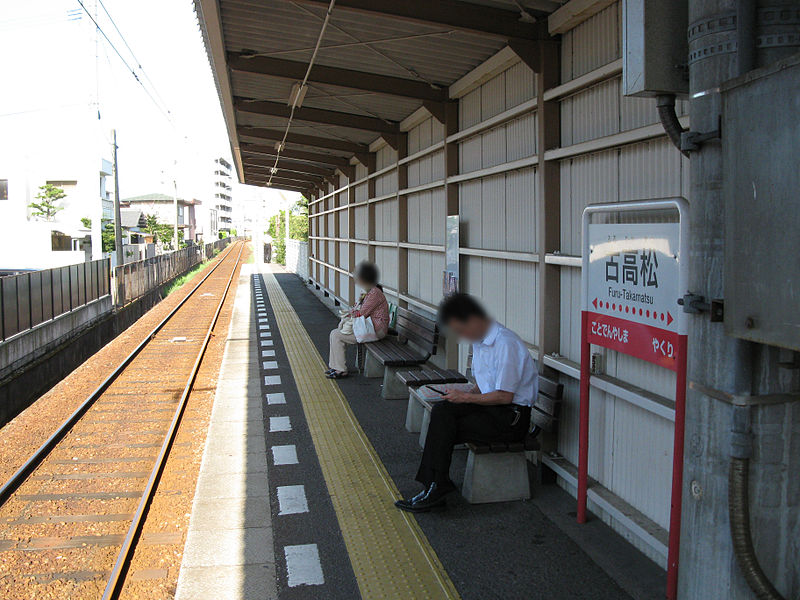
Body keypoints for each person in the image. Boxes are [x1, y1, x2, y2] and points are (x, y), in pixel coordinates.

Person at [395, 293, 538, 513]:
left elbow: (504, 396)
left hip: (511, 419)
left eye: (461, 330)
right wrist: (463, 394)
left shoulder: (505, 343)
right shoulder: (481, 341)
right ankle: (435, 485)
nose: (461, 336)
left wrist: (465, 398)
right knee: (442, 411)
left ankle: (436, 487)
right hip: (493, 410)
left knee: (444, 426)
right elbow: (484, 384)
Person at [326, 261, 389, 379]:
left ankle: (340, 369)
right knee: (335, 334)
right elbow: (358, 311)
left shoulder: (374, 293)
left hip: (376, 331)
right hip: (370, 328)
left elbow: (361, 313)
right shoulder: (370, 291)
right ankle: (335, 367)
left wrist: (351, 313)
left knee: (336, 335)